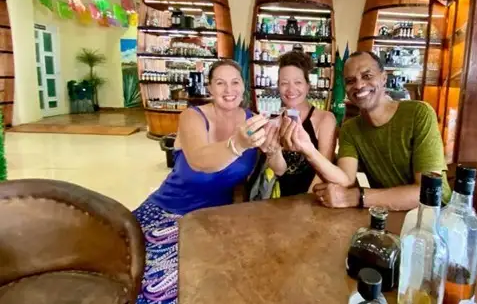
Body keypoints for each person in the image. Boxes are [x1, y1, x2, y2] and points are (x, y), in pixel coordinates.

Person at [132, 60, 269, 304]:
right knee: (151, 289)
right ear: (209, 88)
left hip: (213, 219)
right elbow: (200, 161)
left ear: (244, 87)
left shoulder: (252, 121)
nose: (229, 90)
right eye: (220, 83)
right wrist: (237, 144)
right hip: (171, 211)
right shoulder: (192, 117)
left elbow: (242, 182)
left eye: (235, 82)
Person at [279, 51, 451, 212]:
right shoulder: (350, 129)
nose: (359, 85)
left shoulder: (418, 113)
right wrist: (307, 148)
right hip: (386, 214)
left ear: (384, 78)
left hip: (435, 216)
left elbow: (430, 192)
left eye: (367, 76)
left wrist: (358, 196)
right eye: (350, 80)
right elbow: (346, 179)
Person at [260, 50, 337, 196]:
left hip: (314, 199)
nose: (291, 89)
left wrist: (305, 204)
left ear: (308, 86)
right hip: (282, 200)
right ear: (278, 86)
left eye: (298, 82)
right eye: (284, 83)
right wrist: (272, 152)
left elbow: (324, 170)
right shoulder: (274, 122)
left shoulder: (324, 119)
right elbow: (280, 171)